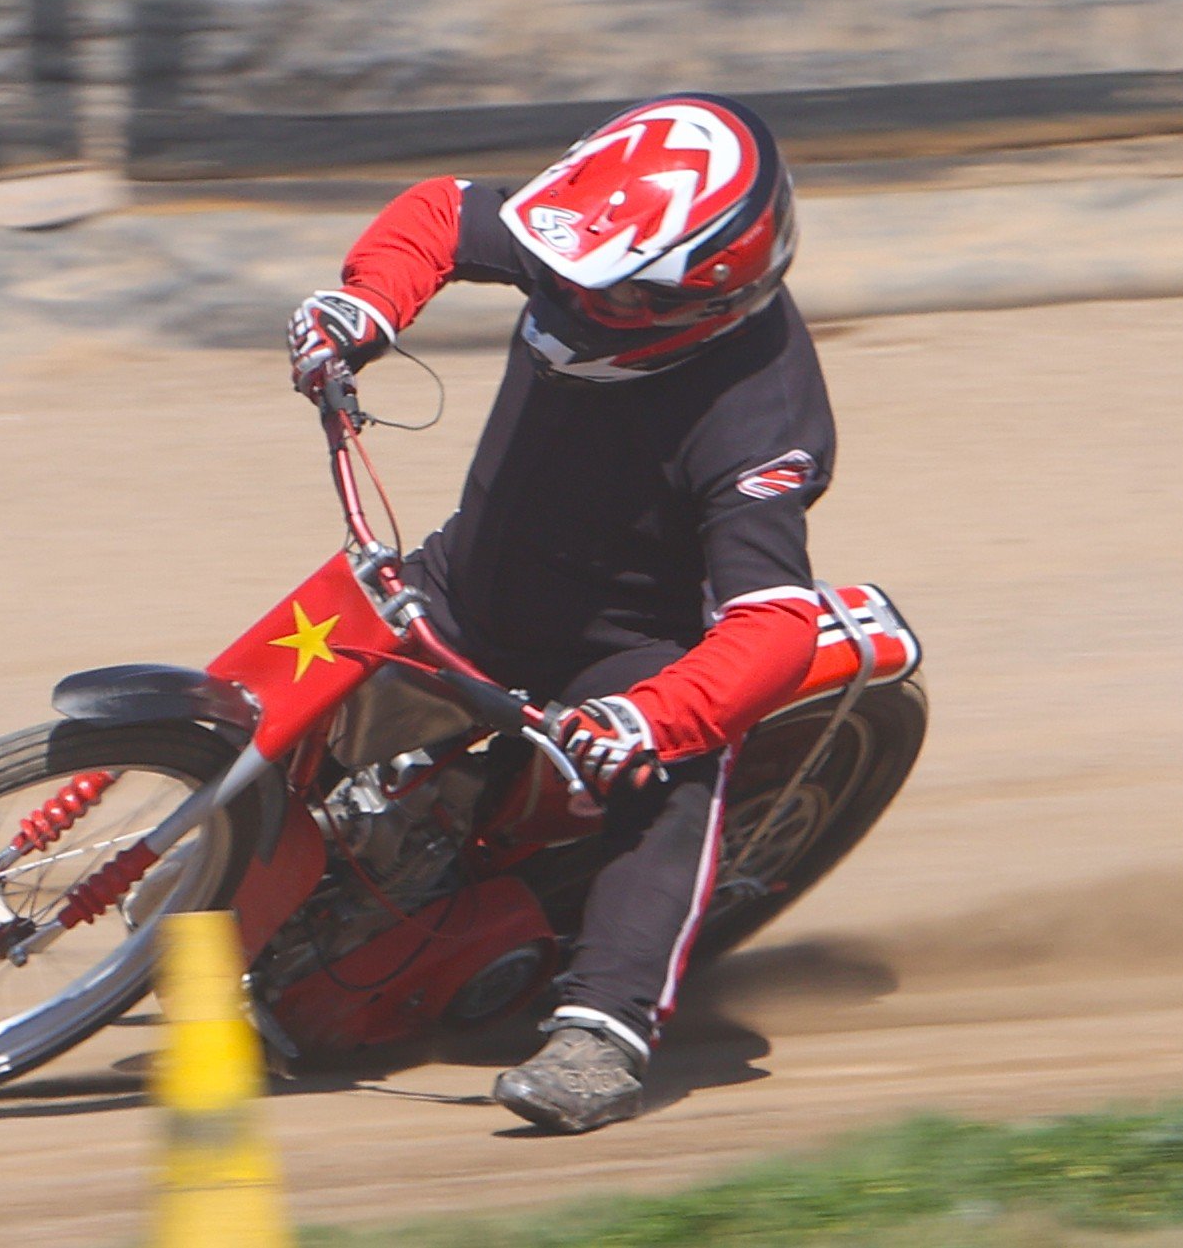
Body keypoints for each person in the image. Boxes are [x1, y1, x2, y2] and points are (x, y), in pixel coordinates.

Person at [286, 93, 834, 1133]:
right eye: (562, 268)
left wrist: (650, 717)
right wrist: (364, 307)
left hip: (622, 651)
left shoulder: (764, 422)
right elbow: (443, 212)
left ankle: (605, 1030)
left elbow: (775, 624)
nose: (572, 297)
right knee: (281, 693)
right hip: (467, 580)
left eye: (609, 293)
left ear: (704, 295)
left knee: (675, 785)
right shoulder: (596, 246)